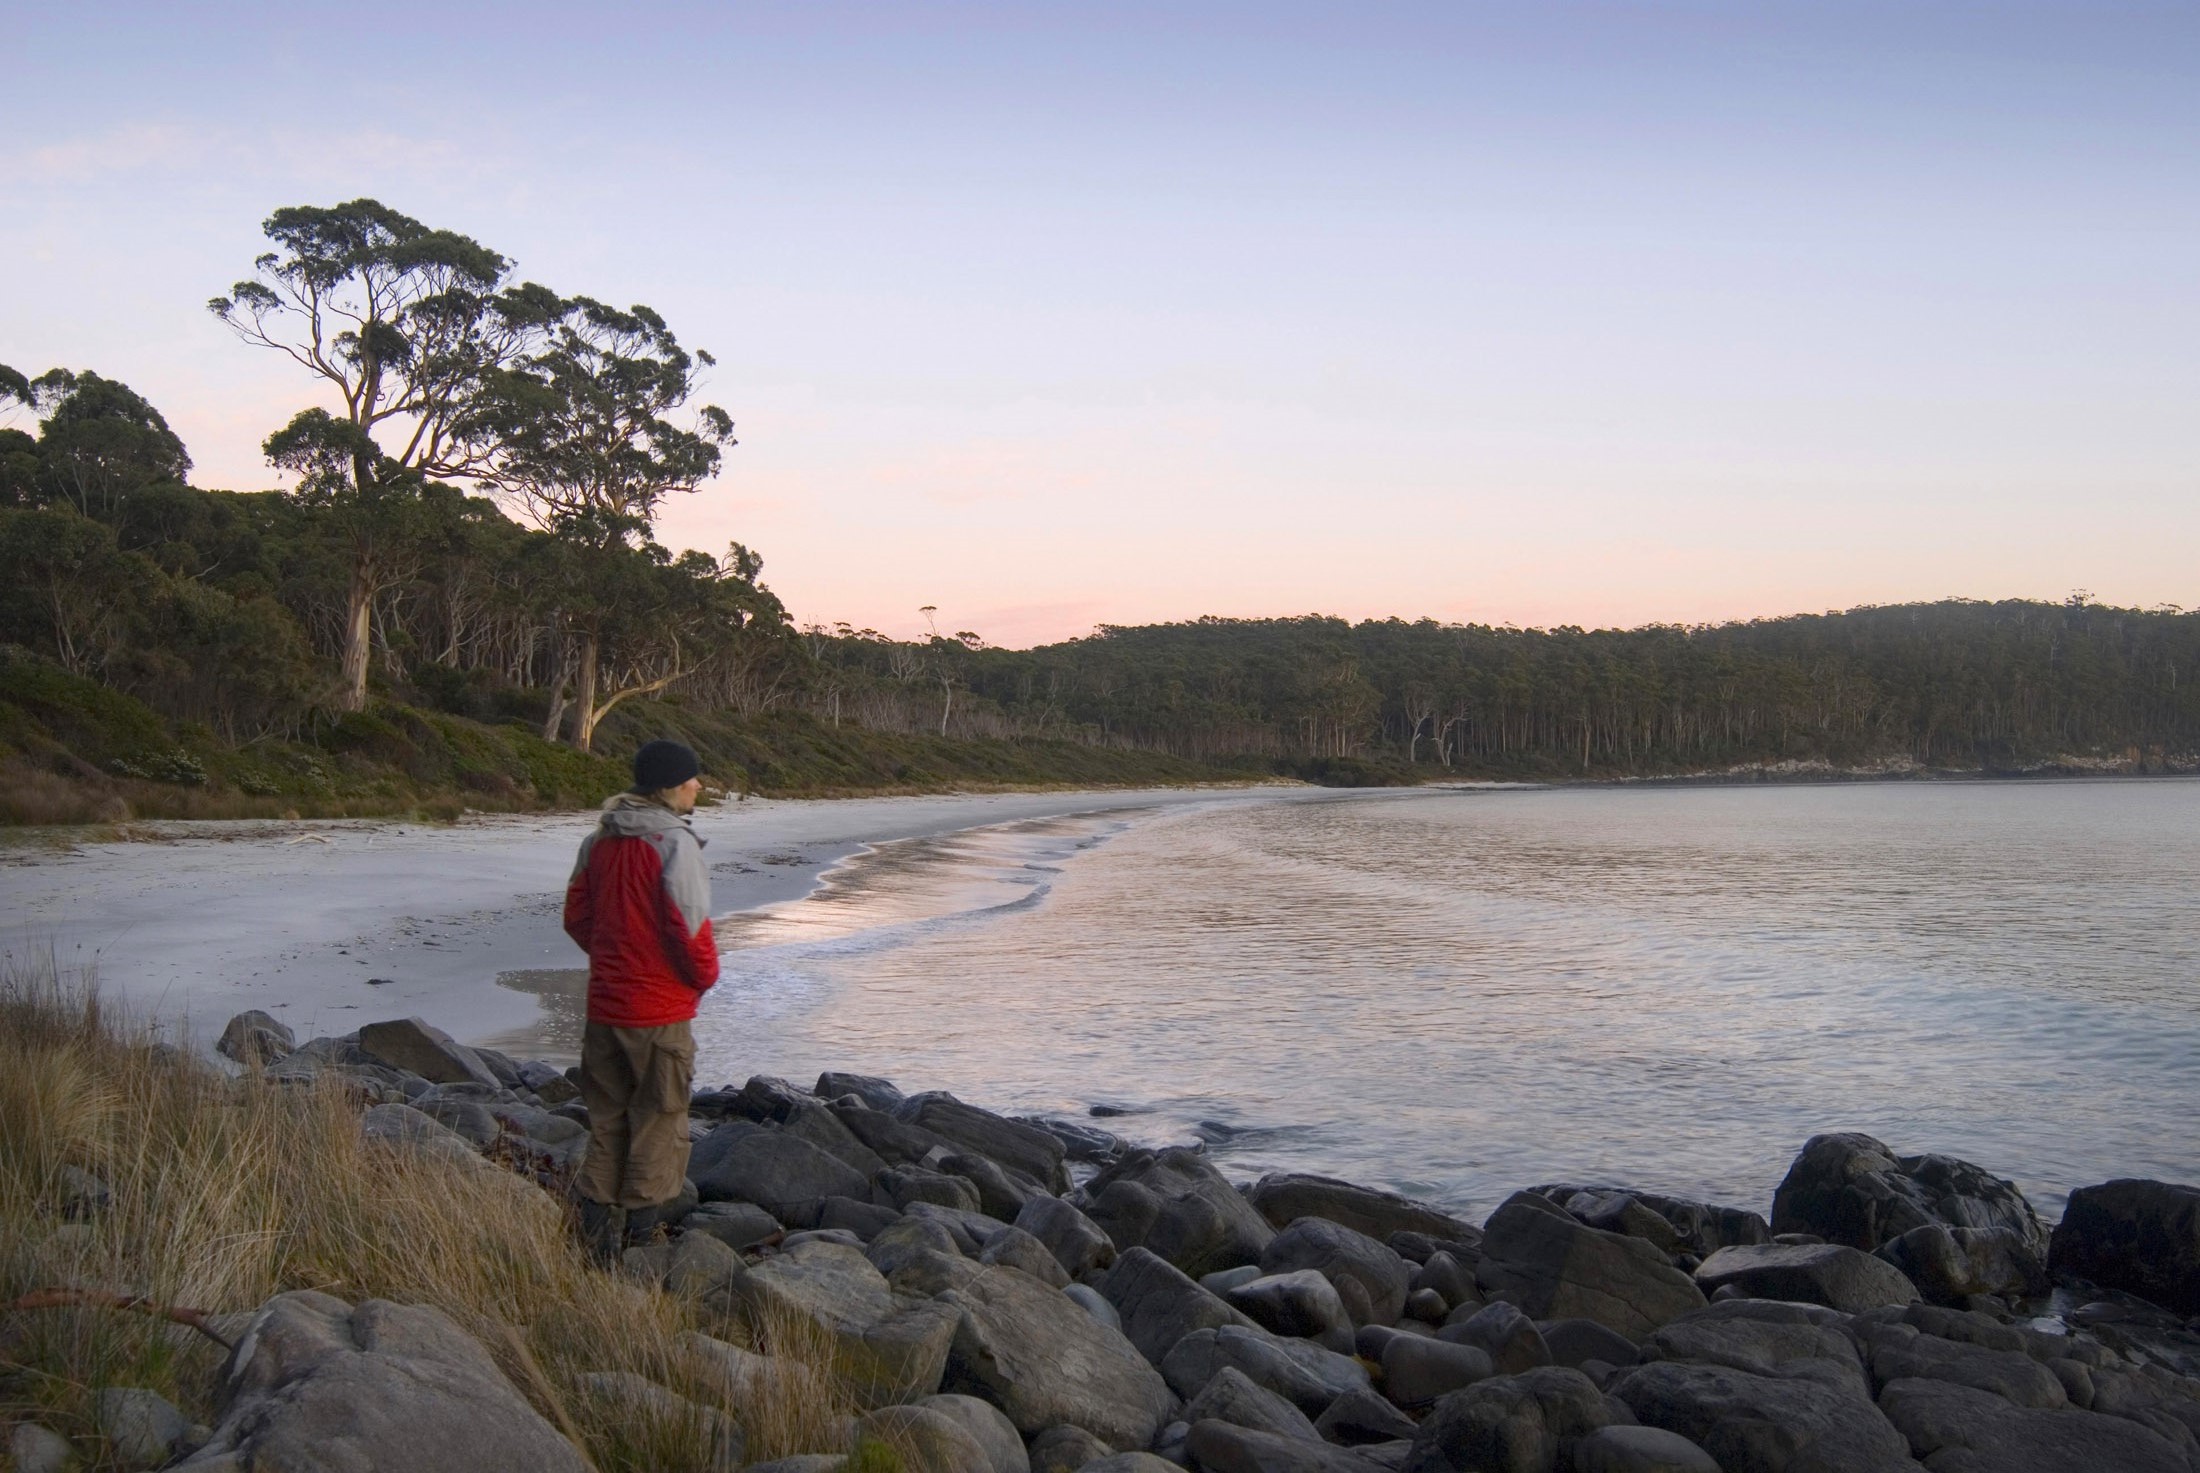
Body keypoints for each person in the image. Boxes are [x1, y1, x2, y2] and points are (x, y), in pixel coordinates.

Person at [562, 738, 719, 1262]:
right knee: (659, 1120)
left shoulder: (598, 841)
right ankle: (637, 1246)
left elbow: (578, 919)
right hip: (658, 1012)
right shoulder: (674, 845)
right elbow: (690, 932)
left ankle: (591, 1243)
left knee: (608, 1118)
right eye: (693, 778)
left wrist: (614, 964)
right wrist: (701, 981)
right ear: (671, 786)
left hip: (606, 1006)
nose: (698, 785)